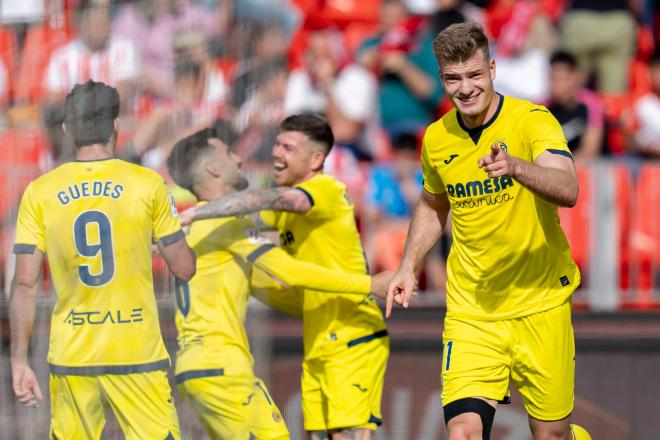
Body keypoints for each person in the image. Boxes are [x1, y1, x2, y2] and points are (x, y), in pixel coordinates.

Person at [385, 23, 591, 440]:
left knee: (552, 434)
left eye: (474, 75)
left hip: (541, 302)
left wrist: (517, 167)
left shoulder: (531, 120)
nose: (465, 88)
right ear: (442, 78)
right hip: (472, 310)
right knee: (461, 432)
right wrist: (408, 266)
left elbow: (568, 189)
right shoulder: (437, 139)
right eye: (454, 78)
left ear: (492, 68)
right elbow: (432, 203)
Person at [166, 128, 391, 439]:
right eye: (228, 153)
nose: (238, 158)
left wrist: (327, 307)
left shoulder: (198, 227)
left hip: (193, 369)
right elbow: (290, 272)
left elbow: (266, 289)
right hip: (223, 368)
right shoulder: (226, 221)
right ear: (212, 169)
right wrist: (368, 285)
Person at [9, 80, 196, 438]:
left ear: (67, 128)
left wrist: (19, 361)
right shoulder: (147, 184)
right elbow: (184, 268)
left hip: (73, 357)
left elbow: (24, 283)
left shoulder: (40, 192)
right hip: (137, 354)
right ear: (115, 124)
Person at [547, 50, 604, 161]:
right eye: (553, 79)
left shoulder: (591, 104)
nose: (557, 86)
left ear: (575, 78)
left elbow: (590, 151)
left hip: (583, 168)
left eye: (562, 79)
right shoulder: (543, 107)